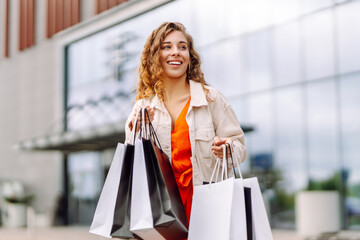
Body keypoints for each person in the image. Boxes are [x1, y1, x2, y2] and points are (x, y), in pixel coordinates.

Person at [124, 22, 246, 223]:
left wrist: (228, 148)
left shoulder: (211, 99)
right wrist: (135, 129)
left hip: (206, 211)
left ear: (190, 56)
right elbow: (131, 161)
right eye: (167, 47)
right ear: (155, 56)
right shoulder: (143, 106)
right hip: (160, 215)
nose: (176, 52)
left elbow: (239, 148)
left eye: (182, 47)